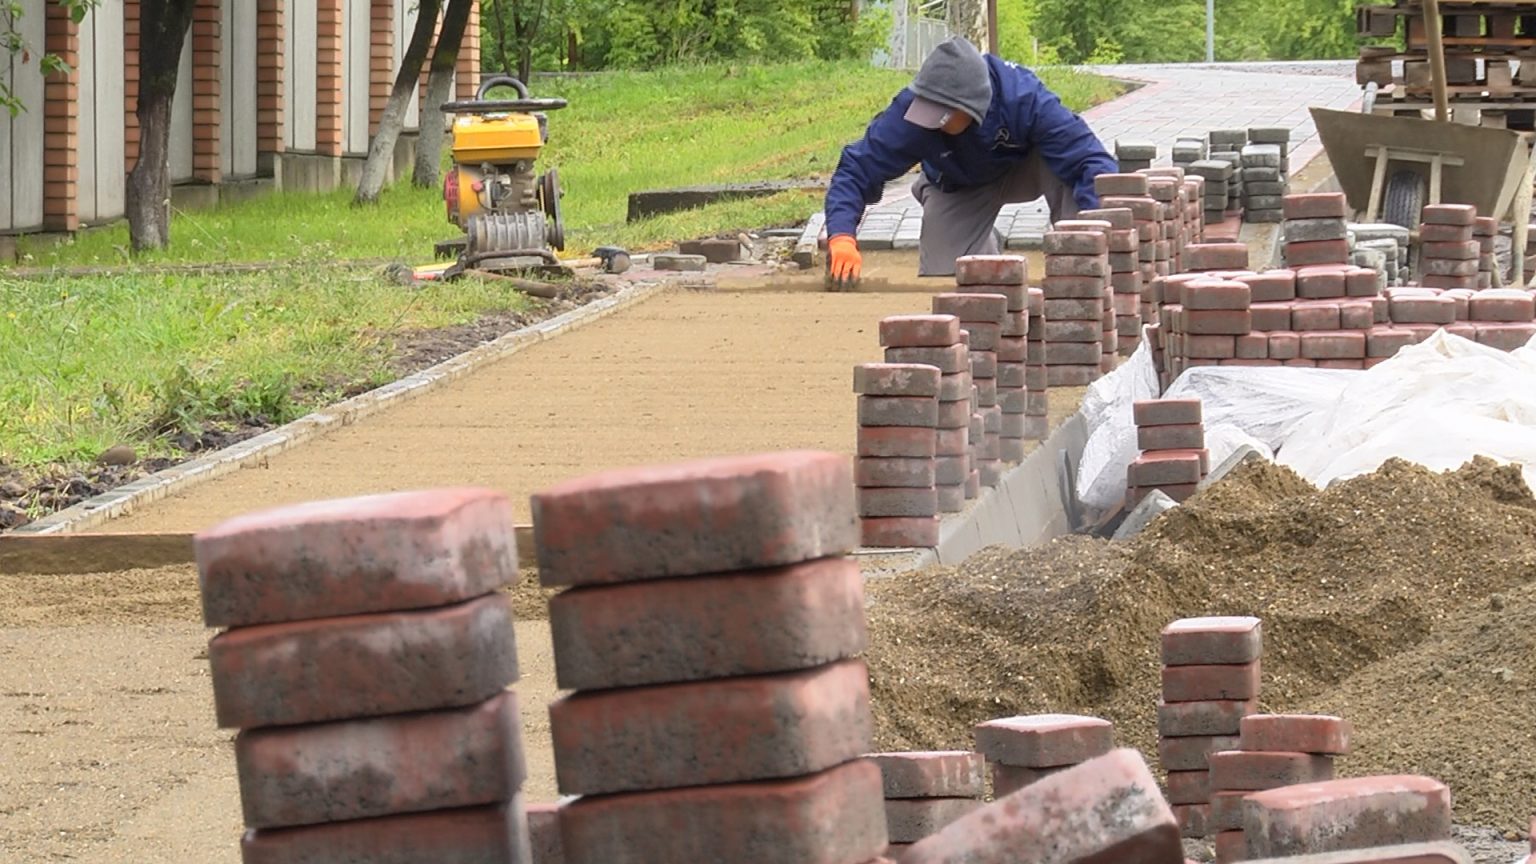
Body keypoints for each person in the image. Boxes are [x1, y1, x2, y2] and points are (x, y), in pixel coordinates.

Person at [824, 36, 1118, 285]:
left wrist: (1100, 235)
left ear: (974, 106)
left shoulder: (1025, 98)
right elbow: (856, 168)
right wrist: (841, 236)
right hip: (956, 182)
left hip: (1023, 169)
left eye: (943, 115)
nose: (934, 122)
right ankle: (984, 246)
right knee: (948, 279)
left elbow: (1091, 162)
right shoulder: (912, 113)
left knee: (1069, 167)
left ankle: (1081, 267)